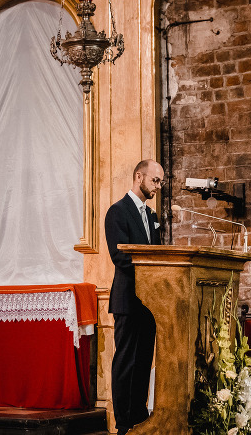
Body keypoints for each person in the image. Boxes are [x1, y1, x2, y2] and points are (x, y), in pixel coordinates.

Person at [105, 159, 164, 435]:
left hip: (150, 303)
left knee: (143, 362)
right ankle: (123, 423)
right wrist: (151, 270)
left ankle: (140, 418)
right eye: (155, 180)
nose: (158, 186)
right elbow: (120, 256)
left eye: (161, 182)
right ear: (138, 176)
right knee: (126, 362)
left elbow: (159, 254)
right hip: (128, 299)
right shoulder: (117, 212)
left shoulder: (152, 217)